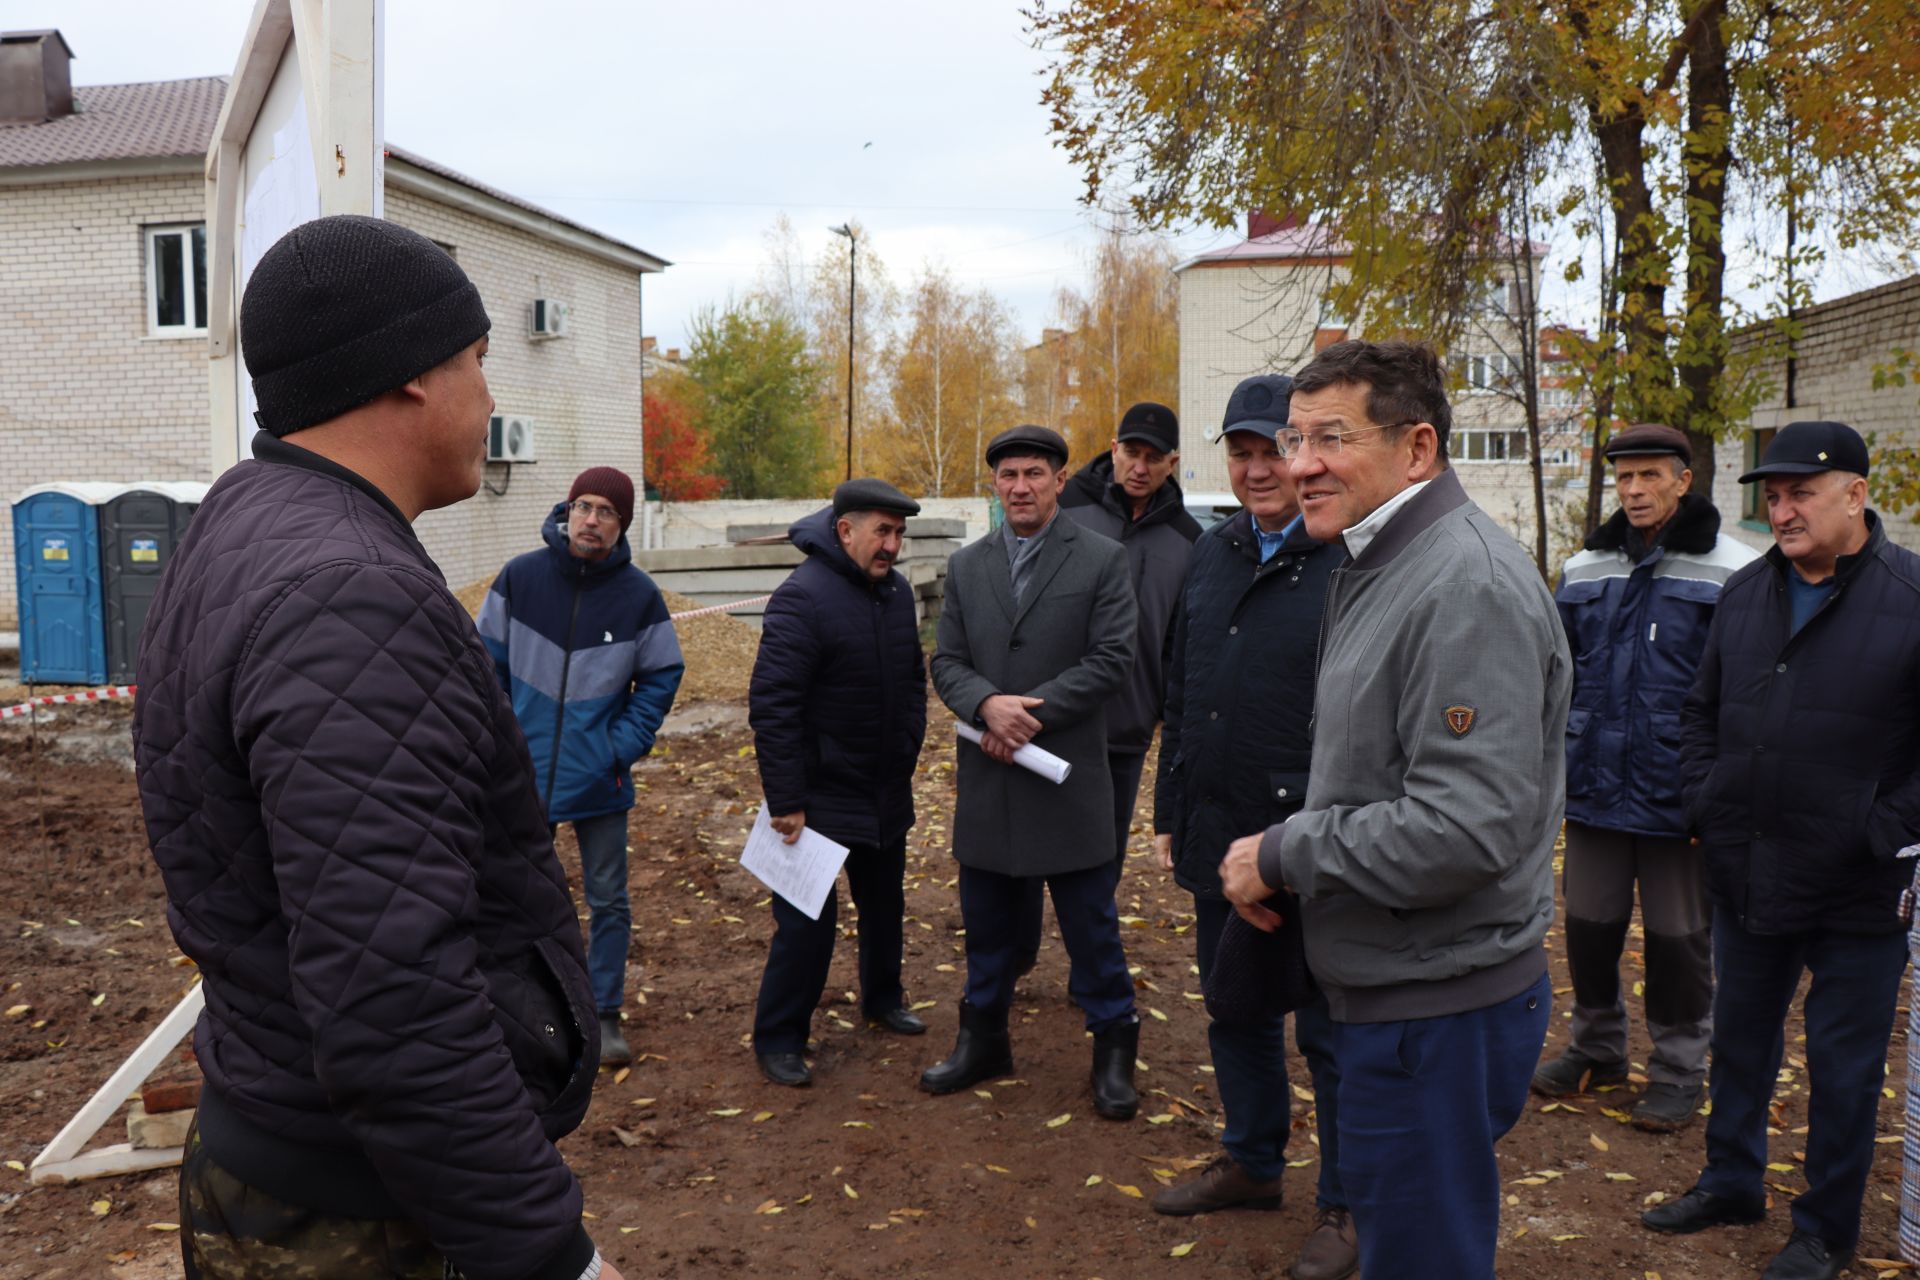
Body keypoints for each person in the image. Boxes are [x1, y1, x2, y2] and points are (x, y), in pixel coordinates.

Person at [133, 215, 621, 1280]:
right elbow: (392, 995)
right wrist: (548, 1252)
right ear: (409, 375)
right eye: (481, 361)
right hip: (349, 1214)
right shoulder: (350, 599)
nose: (490, 398)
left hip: (272, 1140)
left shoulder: (240, 522)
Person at [1218, 339, 1569, 1280]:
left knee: (1422, 1259)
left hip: (1436, 1010)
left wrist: (1288, 854)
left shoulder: (1465, 588)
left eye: (1331, 437)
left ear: (1418, 449)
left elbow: (1466, 828)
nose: (1297, 465)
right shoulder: (1380, 560)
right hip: (1400, 991)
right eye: (1294, 438)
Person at [1643, 421, 1920, 1280]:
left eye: (1802, 492)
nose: (1783, 509)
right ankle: (1732, 1180)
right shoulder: (1746, 592)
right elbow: (1700, 711)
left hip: (1858, 888)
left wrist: (1879, 832)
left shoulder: (1911, 597)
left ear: (1855, 494)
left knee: (1844, 1068)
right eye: (1773, 495)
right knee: (1742, 1040)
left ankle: (1825, 1230)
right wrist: (1707, 799)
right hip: (1747, 865)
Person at [1149, 374, 1356, 1279]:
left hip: (1308, 841)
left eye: (1274, 448)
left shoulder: (1344, 558)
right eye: (1241, 450)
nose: (1258, 467)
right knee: (1231, 1006)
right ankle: (1253, 1159)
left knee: (1328, 1030)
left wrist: (1305, 842)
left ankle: (1348, 1205)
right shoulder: (1215, 551)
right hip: (1215, 830)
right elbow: (1182, 686)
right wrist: (1169, 808)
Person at [1533, 423, 1757, 1129]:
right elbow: (1556, 677)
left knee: (1679, 944)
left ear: (1683, 480)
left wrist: (1719, 795)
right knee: (1588, 929)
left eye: (1650, 476)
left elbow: (1745, 697)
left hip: (1681, 800)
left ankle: (1679, 1069)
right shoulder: (1582, 570)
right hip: (1595, 789)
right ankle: (1597, 1049)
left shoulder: (1736, 571)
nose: (1635, 490)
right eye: (1625, 477)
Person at [921, 424, 1142, 1118]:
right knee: (987, 928)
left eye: (1035, 474)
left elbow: (1113, 658)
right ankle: (983, 1040)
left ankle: (1113, 1047)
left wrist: (1027, 716)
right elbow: (946, 661)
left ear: (1058, 480)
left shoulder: (1103, 559)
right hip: (991, 781)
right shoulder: (967, 566)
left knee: (1090, 928)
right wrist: (986, 705)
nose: (1021, 486)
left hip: (1065, 778)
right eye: (1009, 474)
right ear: (995, 483)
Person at [479, 466, 685, 1069]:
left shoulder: (639, 596)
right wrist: (503, 737)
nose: (592, 520)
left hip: (600, 777)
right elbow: (481, 663)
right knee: (513, 895)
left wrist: (617, 747)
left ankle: (604, 1014)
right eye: (584, 507)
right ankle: (517, 1007)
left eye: (606, 513)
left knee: (608, 900)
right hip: (521, 776)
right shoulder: (520, 579)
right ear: (568, 510)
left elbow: (662, 676)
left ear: (622, 526)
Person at [745, 478, 931, 1087]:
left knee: (885, 908)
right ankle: (779, 1036)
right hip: (818, 800)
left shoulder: (898, 595)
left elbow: (910, 685)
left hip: (882, 790)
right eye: (883, 531)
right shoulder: (802, 598)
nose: (893, 546)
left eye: (899, 533)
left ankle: (883, 999)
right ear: (844, 530)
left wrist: (905, 752)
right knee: (805, 929)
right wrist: (788, 798)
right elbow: (774, 703)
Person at [1058, 399, 1201, 878]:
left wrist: (1157, 705)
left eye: (1154, 458)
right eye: (1132, 453)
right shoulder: (1065, 510)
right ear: (1113, 449)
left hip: (1128, 725)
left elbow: (1180, 636)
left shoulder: (1188, 538)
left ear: (1172, 463)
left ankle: (1092, 946)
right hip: (1055, 716)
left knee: (1106, 854)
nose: (1140, 468)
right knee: (1043, 843)